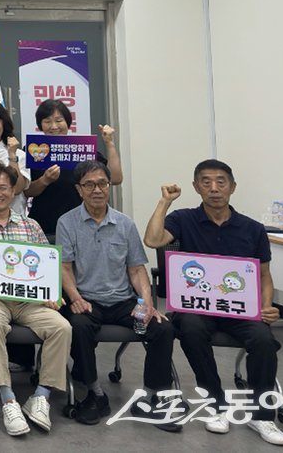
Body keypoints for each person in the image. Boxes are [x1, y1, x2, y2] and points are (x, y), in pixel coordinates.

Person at [143, 159, 283, 446]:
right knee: (190, 328)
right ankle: (216, 404)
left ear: (232, 187)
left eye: (221, 182)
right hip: (197, 309)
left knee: (263, 339)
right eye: (206, 182)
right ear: (196, 187)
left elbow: (264, 275)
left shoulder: (253, 228)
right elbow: (152, 239)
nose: (214, 188)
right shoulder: (183, 219)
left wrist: (266, 307)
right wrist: (164, 202)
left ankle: (261, 415)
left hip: (240, 310)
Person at [57, 160, 178, 430]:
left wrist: (147, 303)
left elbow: (136, 269)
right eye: (89, 185)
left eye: (102, 183)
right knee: (78, 326)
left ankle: (151, 396)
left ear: (109, 186)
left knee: (162, 328)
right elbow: (64, 267)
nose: (97, 190)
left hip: (123, 302)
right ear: (79, 189)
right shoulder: (67, 222)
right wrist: (75, 298)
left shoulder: (125, 223)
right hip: (88, 300)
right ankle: (94, 393)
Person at [0, 161, 71, 436]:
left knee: (61, 326)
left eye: (4, 187)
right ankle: (8, 399)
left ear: (13, 190)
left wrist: (52, 294)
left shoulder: (30, 225)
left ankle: (41, 396)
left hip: (29, 300)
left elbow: (47, 266)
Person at [24, 99, 123, 238]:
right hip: (45, 228)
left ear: (68, 122)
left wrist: (109, 143)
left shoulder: (81, 149)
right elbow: (25, 191)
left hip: (82, 226)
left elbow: (116, 178)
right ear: (40, 125)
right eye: (47, 121)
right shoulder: (33, 151)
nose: (54, 126)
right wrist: (45, 180)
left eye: (59, 120)